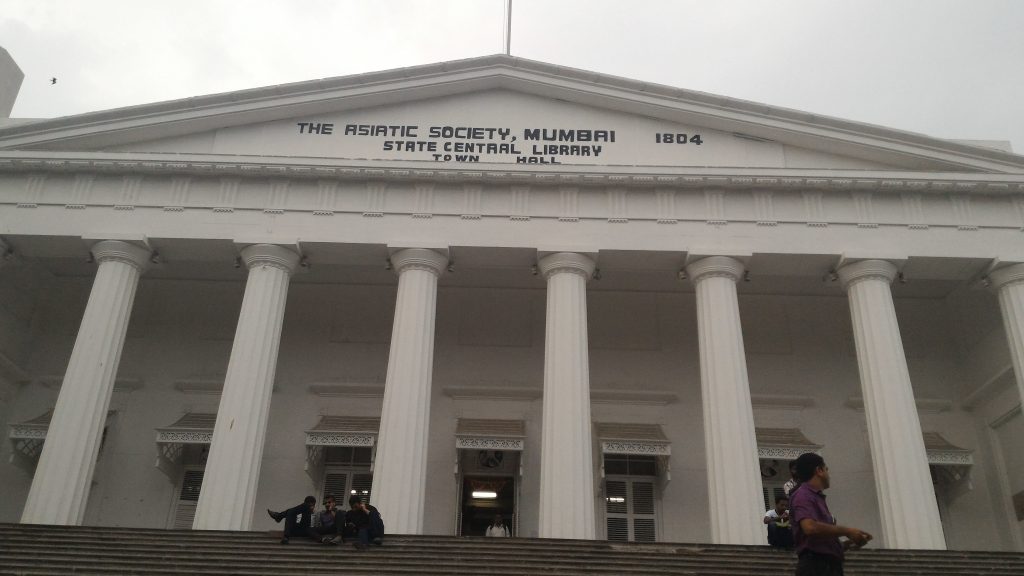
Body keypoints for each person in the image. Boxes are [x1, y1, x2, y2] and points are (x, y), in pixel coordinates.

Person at [789, 453, 873, 576]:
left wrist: (846, 543)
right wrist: (847, 531)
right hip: (816, 566)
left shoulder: (816, 497)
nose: (829, 475)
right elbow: (809, 527)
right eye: (827, 469)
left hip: (827, 564)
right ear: (819, 470)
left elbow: (819, 540)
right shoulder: (803, 495)